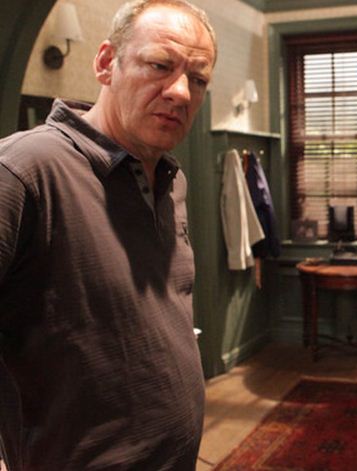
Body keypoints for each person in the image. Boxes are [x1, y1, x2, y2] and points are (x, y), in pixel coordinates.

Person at [0, 0, 216, 469]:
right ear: (105, 63)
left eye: (198, 79)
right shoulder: (24, 171)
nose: (181, 92)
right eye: (160, 65)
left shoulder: (171, 180)